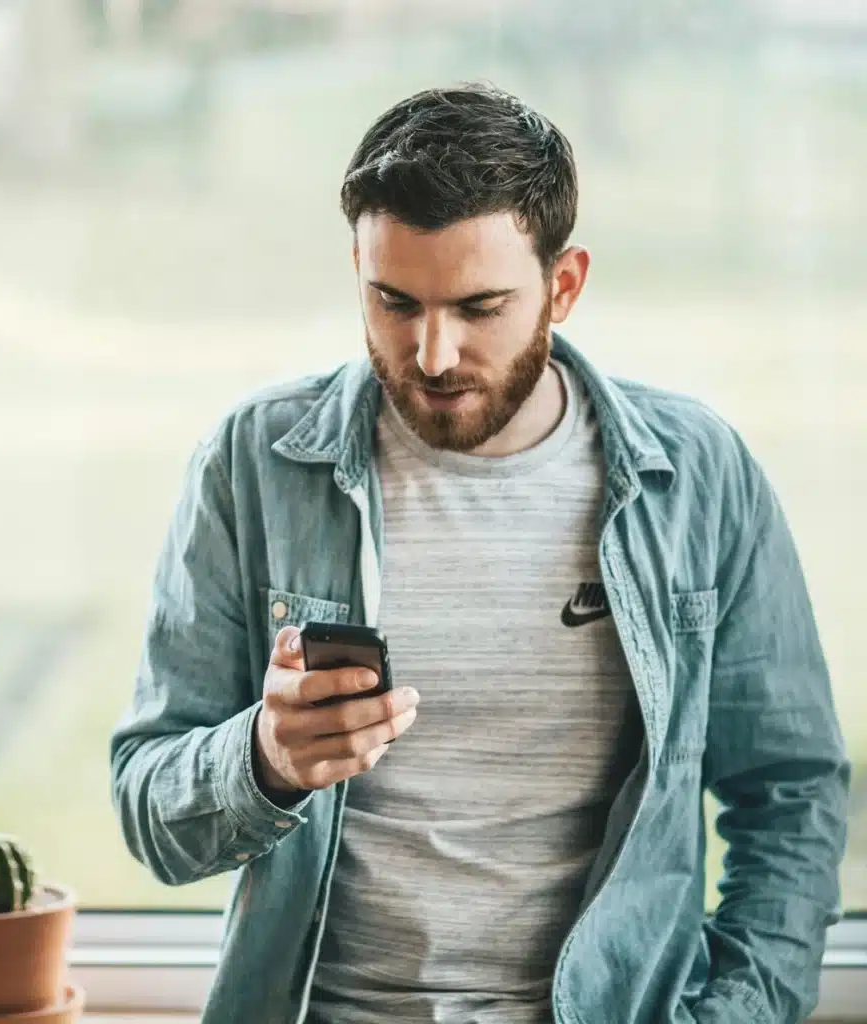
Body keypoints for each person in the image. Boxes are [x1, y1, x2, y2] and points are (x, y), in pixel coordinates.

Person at [109, 82, 851, 1024]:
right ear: (357, 269)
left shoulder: (699, 477)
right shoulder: (253, 464)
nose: (430, 353)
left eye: (479, 306)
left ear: (565, 285)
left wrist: (739, 1013)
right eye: (393, 301)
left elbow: (790, 793)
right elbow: (150, 811)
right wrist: (264, 759)